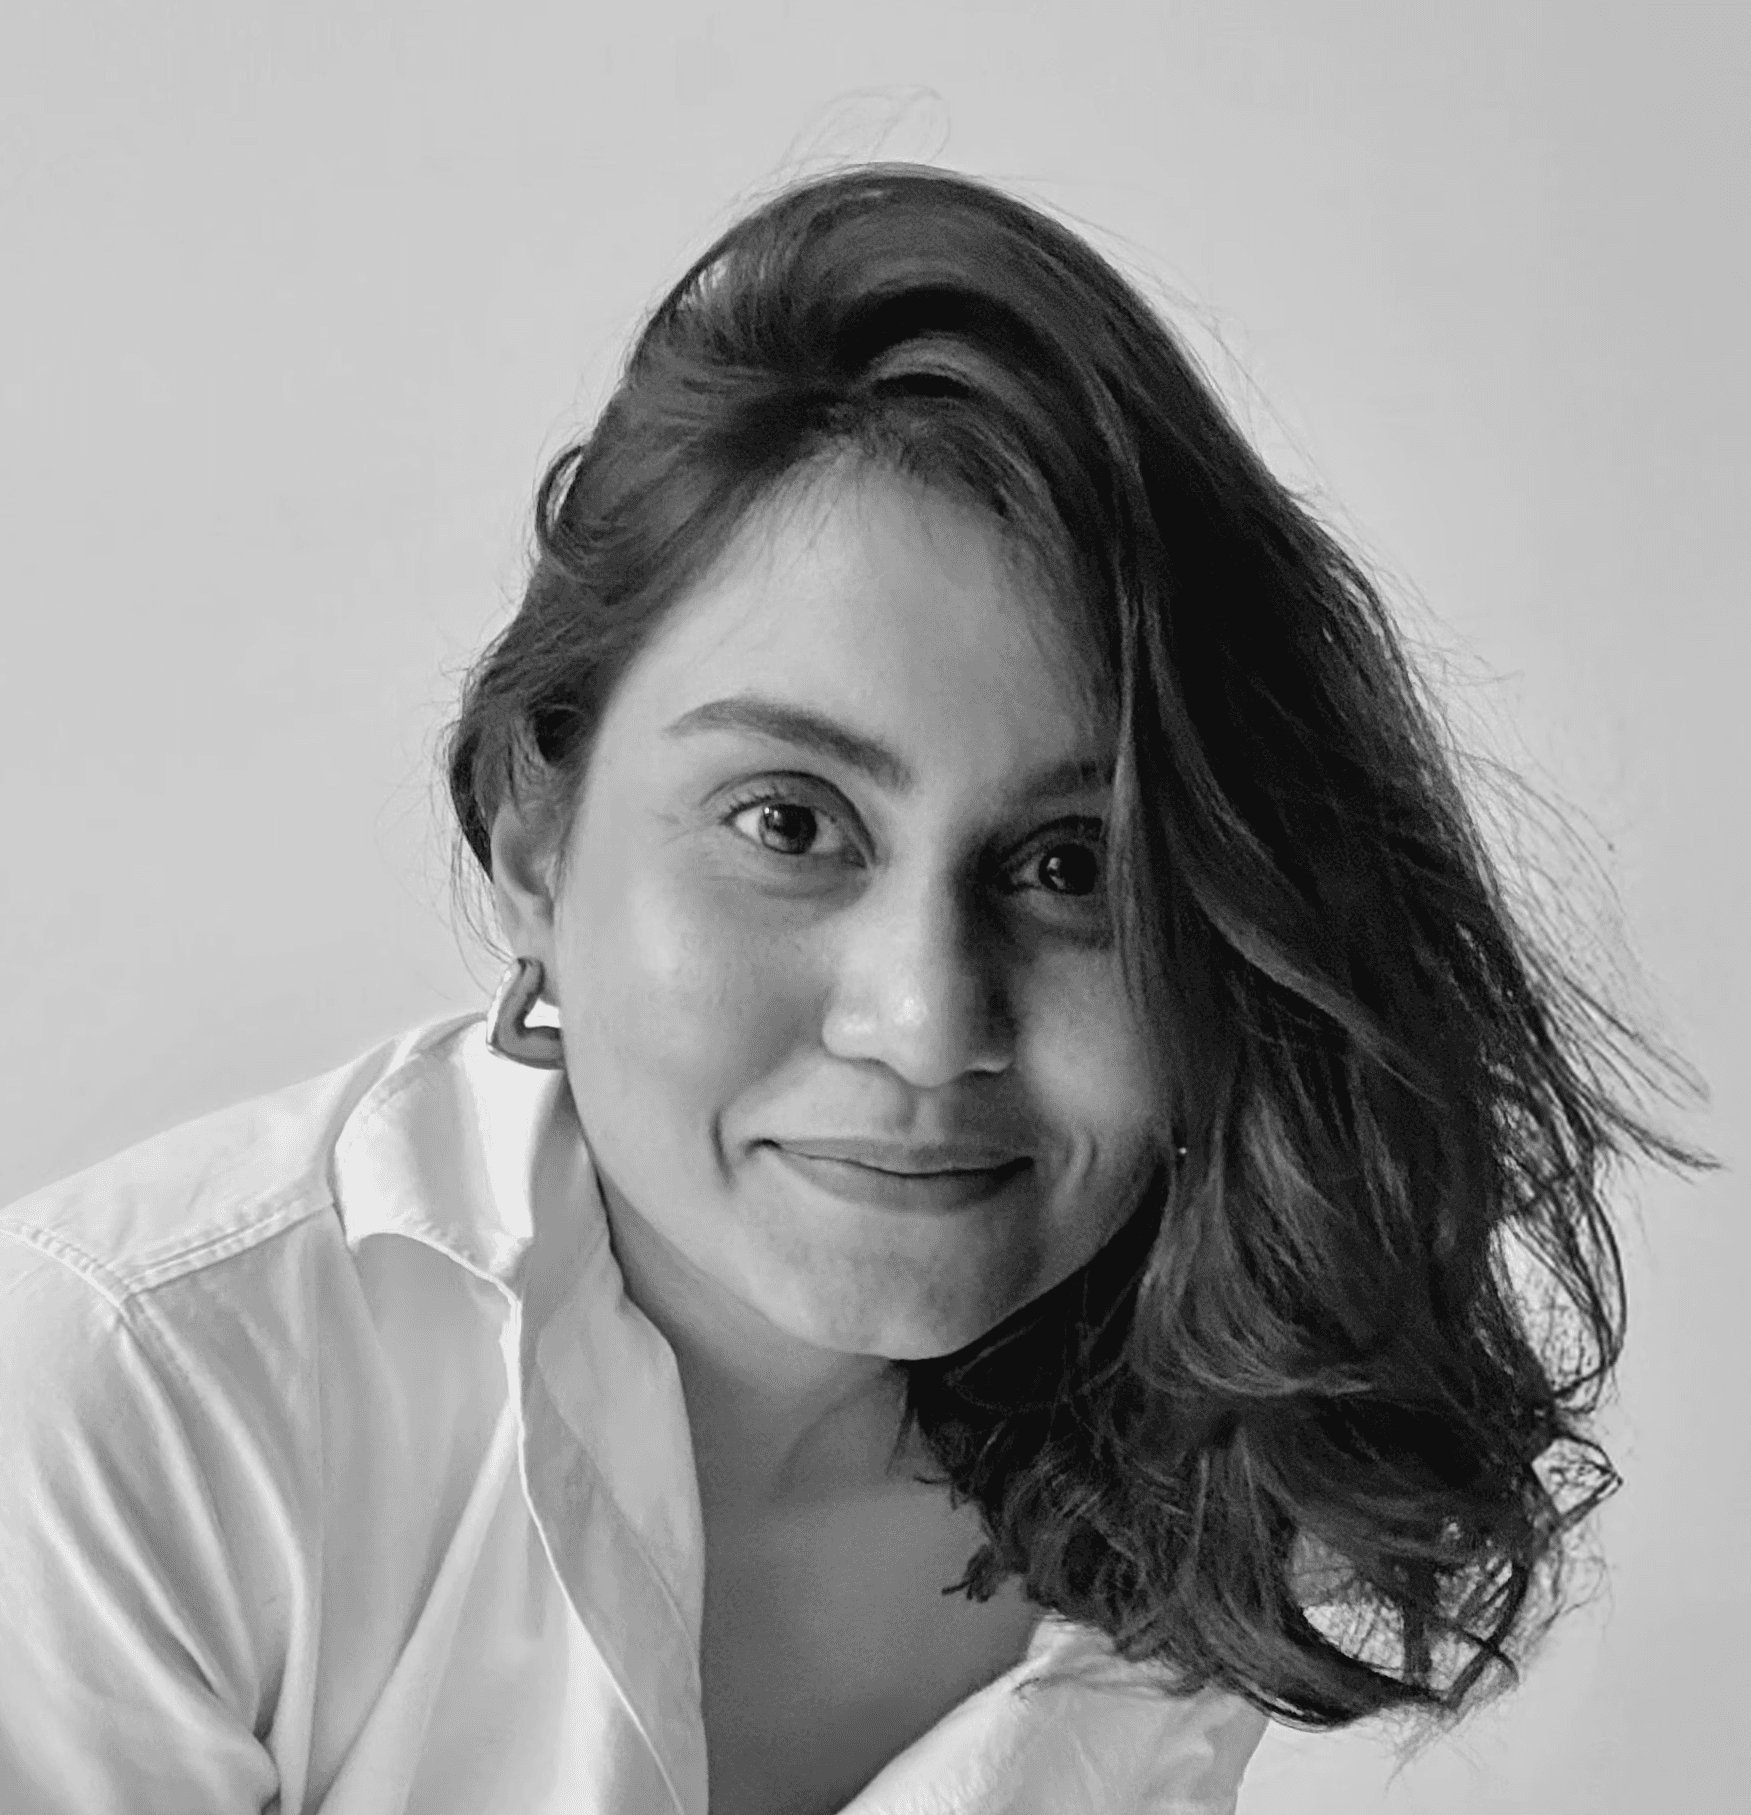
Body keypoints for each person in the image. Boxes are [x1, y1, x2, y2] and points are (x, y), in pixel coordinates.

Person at [0, 163, 1710, 1815]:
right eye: (790, 823)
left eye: (1071, 864)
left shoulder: (1220, 1447)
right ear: (535, 839)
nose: (926, 1019)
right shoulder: (133, 1401)